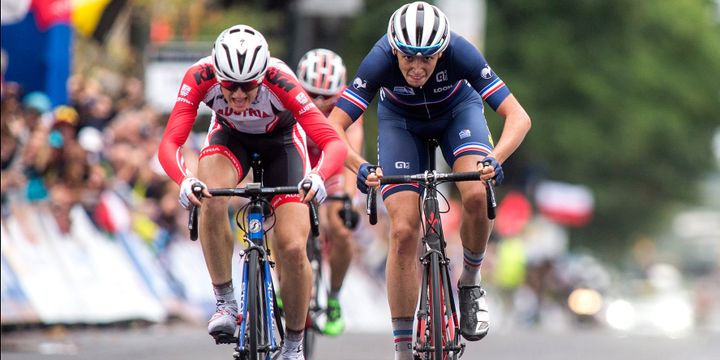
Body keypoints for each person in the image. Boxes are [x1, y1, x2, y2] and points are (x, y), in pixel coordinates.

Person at [326, 2, 531, 359]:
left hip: (457, 114)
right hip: (400, 124)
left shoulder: (461, 51)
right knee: (403, 231)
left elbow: (518, 116)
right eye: (408, 59)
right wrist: (359, 166)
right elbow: (334, 125)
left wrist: (495, 158)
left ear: (442, 51)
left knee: (477, 194)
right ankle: (404, 350)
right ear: (394, 49)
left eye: (428, 59)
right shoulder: (379, 60)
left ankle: (469, 281)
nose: (417, 68)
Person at [158, 25, 347, 359]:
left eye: (249, 86)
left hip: (282, 144)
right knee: (211, 194)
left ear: (263, 75)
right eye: (230, 86)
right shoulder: (199, 76)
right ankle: (226, 302)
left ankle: (293, 345)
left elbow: (332, 142)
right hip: (230, 139)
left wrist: (318, 176)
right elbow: (171, 141)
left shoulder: (281, 80)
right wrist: (184, 180)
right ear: (217, 75)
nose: (240, 95)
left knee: (291, 245)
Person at [295, 48, 364, 336]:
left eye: (328, 97)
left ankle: (333, 297)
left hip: (333, 162)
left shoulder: (349, 100)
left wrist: (346, 200)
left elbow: (352, 149)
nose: (320, 102)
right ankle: (286, 282)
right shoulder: (288, 92)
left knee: (341, 227)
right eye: (313, 94)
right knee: (287, 221)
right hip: (299, 157)